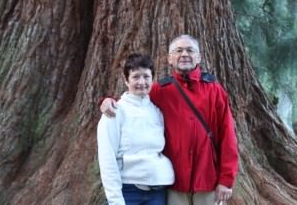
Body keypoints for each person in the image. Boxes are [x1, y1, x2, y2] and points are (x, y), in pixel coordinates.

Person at [101, 35, 239, 205]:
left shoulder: (214, 90)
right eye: (178, 50)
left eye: (190, 50)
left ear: (199, 57)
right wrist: (108, 102)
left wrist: (226, 179)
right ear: (170, 59)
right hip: (175, 184)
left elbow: (228, 137)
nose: (184, 54)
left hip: (207, 178)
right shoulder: (161, 91)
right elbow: (135, 99)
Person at [97, 53, 175, 205]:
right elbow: (107, 160)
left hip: (157, 193)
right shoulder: (114, 112)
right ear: (126, 80)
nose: (142, 82)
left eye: (146, 76)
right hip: (128, 192)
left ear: (152, 79)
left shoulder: (157, 112)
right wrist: (115, 200)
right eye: (136, 77)